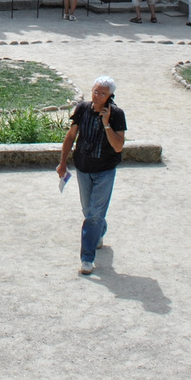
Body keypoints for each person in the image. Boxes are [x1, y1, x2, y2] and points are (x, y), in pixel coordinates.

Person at [55, 76, 127, 276]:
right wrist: (62, 163)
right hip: (83, 168)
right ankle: (99, 232)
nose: (96, 95)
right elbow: (71, 137)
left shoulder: (117, 115)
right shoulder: (82, 109)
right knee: (89, 211)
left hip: (105, 170)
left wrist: (106, 124)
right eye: (95, 91)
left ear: (110, 96)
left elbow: (118, 146)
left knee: (94, 215)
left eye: (102, 93)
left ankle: (87, 259)